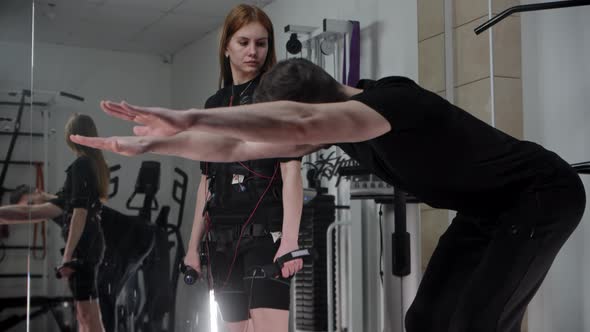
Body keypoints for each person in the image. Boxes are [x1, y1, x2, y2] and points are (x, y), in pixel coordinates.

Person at [71, 57, 586, 332]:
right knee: (425, 319)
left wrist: (189, 115)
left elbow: (302, 121)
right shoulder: (341, 125)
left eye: (290, 126)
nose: (288, 142)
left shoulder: (392, 103)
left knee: (476, 322)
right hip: (484, 210)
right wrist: (162, 143)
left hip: (538, 194)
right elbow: (235, 144)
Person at [179, 5, 304, 332]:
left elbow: (292, 173)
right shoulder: (214, 106)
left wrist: (290, 241)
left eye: (261, 44)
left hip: (266, 237)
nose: (253, 51)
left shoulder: (278, 99)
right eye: (244, 42)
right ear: (226, 47)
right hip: (221, 240)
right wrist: (192, 247)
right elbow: (207, 181)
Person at [2, 113, 109, 332]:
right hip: (87, 247)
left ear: (72, 136)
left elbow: (79, 212)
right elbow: (35, 211)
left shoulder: (82, 165)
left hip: (84, 250)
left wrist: (68, 256)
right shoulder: (89, 165)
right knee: (83, 315)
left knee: (88, 316)